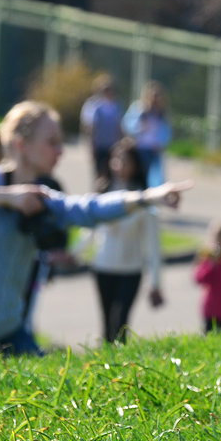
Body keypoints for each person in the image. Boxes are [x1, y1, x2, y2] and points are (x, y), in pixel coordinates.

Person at [0, 101, 192, 365]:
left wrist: (147, 197)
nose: (60, 151)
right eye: (52, 142)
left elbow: (89, 209)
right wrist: (7, 198)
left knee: (54, 396)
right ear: (21, 145)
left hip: (9, 334)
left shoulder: (43, 197)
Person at [71, 139, 165, 344]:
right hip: (103, 266)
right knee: (106, 324)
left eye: (125, 160)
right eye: (117, 160)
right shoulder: (101, 193)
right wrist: (73, 254)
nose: (120, 165)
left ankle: (120, 366)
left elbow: (153, 246)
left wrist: (156, 283)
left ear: (136, 165)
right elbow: (89, 230)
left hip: (130, 270)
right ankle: (104, 368)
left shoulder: (143, 200)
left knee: (120, 322)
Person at [122, 80, 172, 188]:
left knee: (155, 178)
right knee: (141, 175)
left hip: (154, 149)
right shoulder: (139, 109)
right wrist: (139, 128)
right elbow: (127, 124)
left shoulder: (161, 113)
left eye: (158, 96)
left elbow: (166, 131)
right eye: (153, 96)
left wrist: (161, 143)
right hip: (140, 148)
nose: (155, 99)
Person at [79, 74, 123, 186]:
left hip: (112, 146)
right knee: (99, 175)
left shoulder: (116, 105)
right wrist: (90, 146)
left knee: (112, 175)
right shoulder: (94, 105)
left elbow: (119, 126)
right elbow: (89, 127)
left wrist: (120, 144)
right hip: (99, 145)